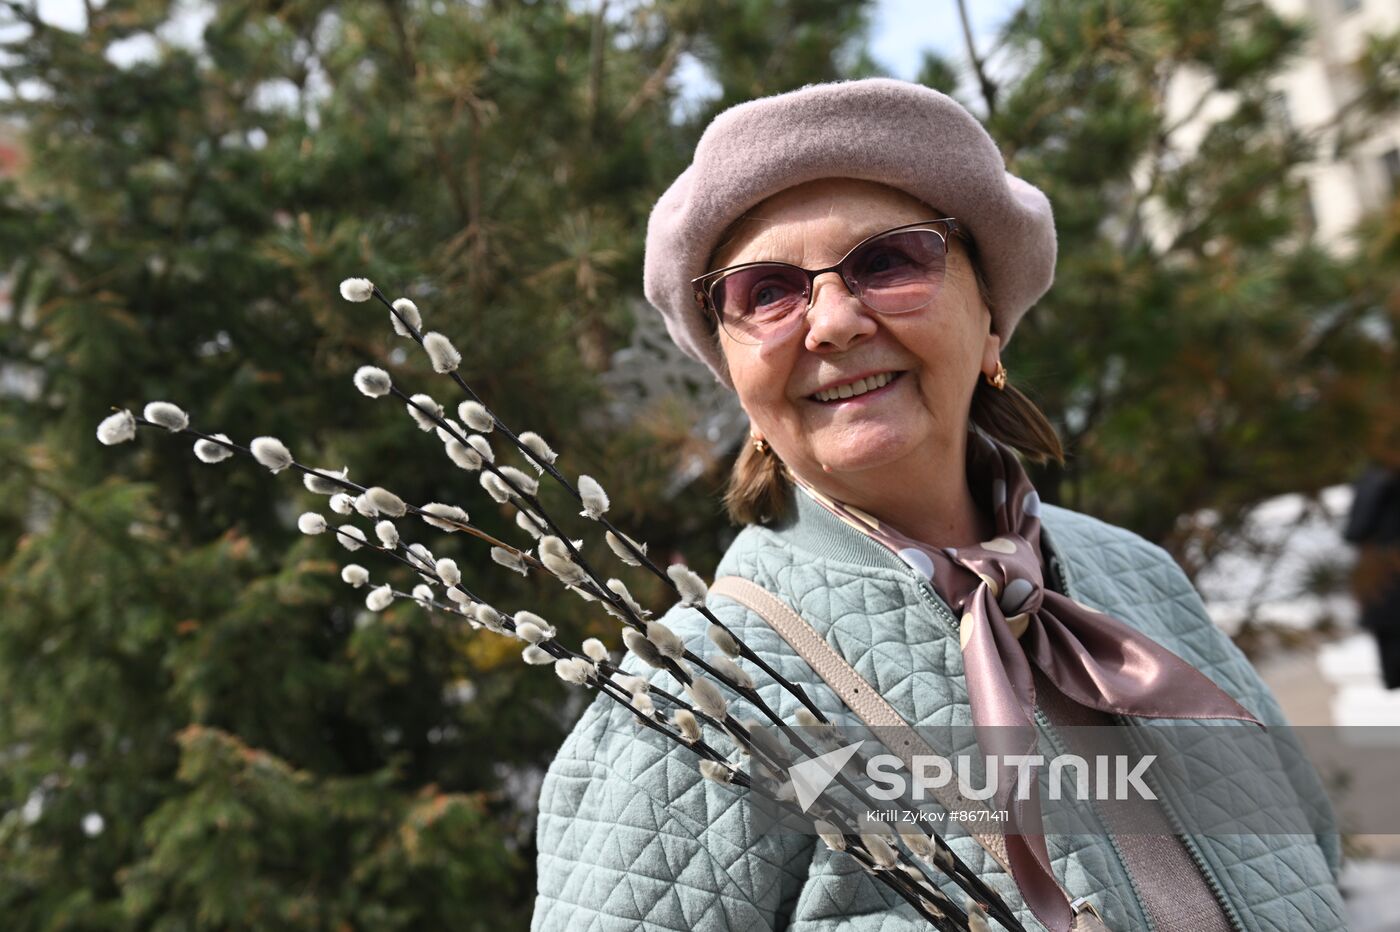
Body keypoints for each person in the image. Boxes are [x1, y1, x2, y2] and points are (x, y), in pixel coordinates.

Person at [531, 79, 1345, 932]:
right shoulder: (698, 698)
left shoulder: (1138, 575)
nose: (834, 322)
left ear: (990, 317)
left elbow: (1311, 851)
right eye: (766, 291)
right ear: (733, 371)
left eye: (887, 262)